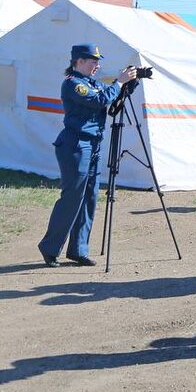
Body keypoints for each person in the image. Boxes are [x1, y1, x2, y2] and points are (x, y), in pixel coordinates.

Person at [38, 44, 137, 267]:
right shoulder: (73, 84)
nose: (97, 66)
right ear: (78, 62)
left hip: (92, 145)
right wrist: (119, 82)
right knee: (72, 197)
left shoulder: (91, 83)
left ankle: (78, 249)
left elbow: (108, 98)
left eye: (97, 61)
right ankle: (50, 247)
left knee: (89, 198)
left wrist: (126, 86)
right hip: (75, 145)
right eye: (93, 61)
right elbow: (99, 100)